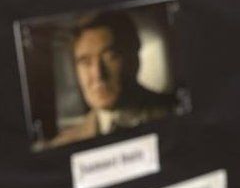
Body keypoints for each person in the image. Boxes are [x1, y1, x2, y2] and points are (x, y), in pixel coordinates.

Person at [45, 11, 176, 148]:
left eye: (110, 57)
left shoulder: (176, 115)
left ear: (134, 58)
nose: (98, 74)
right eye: (85, 62)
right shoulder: (63, 145)